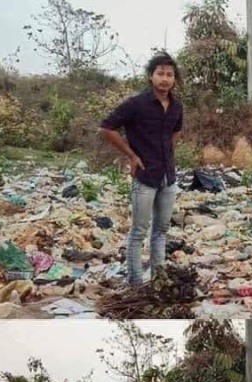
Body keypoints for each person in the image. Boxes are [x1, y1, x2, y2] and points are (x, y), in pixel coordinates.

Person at [98, 52, 184, 286]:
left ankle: (158, 278)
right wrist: (132, 155)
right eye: (160, 74)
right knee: (138, 232)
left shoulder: (176, 107)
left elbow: (177, 130)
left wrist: (167, 152)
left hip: (168, 177)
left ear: (174, 79)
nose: (165, 79)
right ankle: (135, 282)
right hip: (145, 177)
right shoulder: (136, 104)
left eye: (169, 75)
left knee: (161, 230)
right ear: (151, 76)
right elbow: (106, 128)